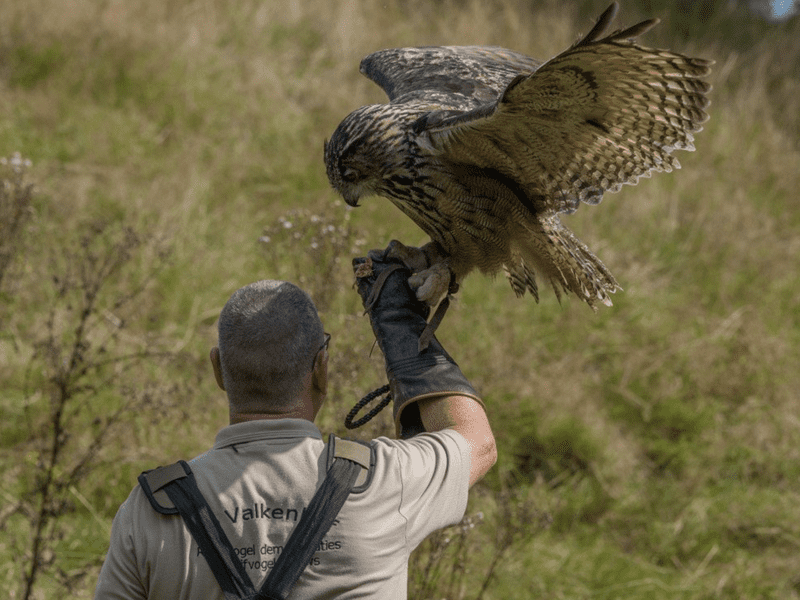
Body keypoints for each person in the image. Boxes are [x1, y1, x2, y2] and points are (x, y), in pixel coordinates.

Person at [94, 249, 496, 599]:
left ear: (218, 371)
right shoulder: (384, 483)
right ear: (322, 369)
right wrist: (403, 331)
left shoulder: (151, 511)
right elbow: (475, 440)